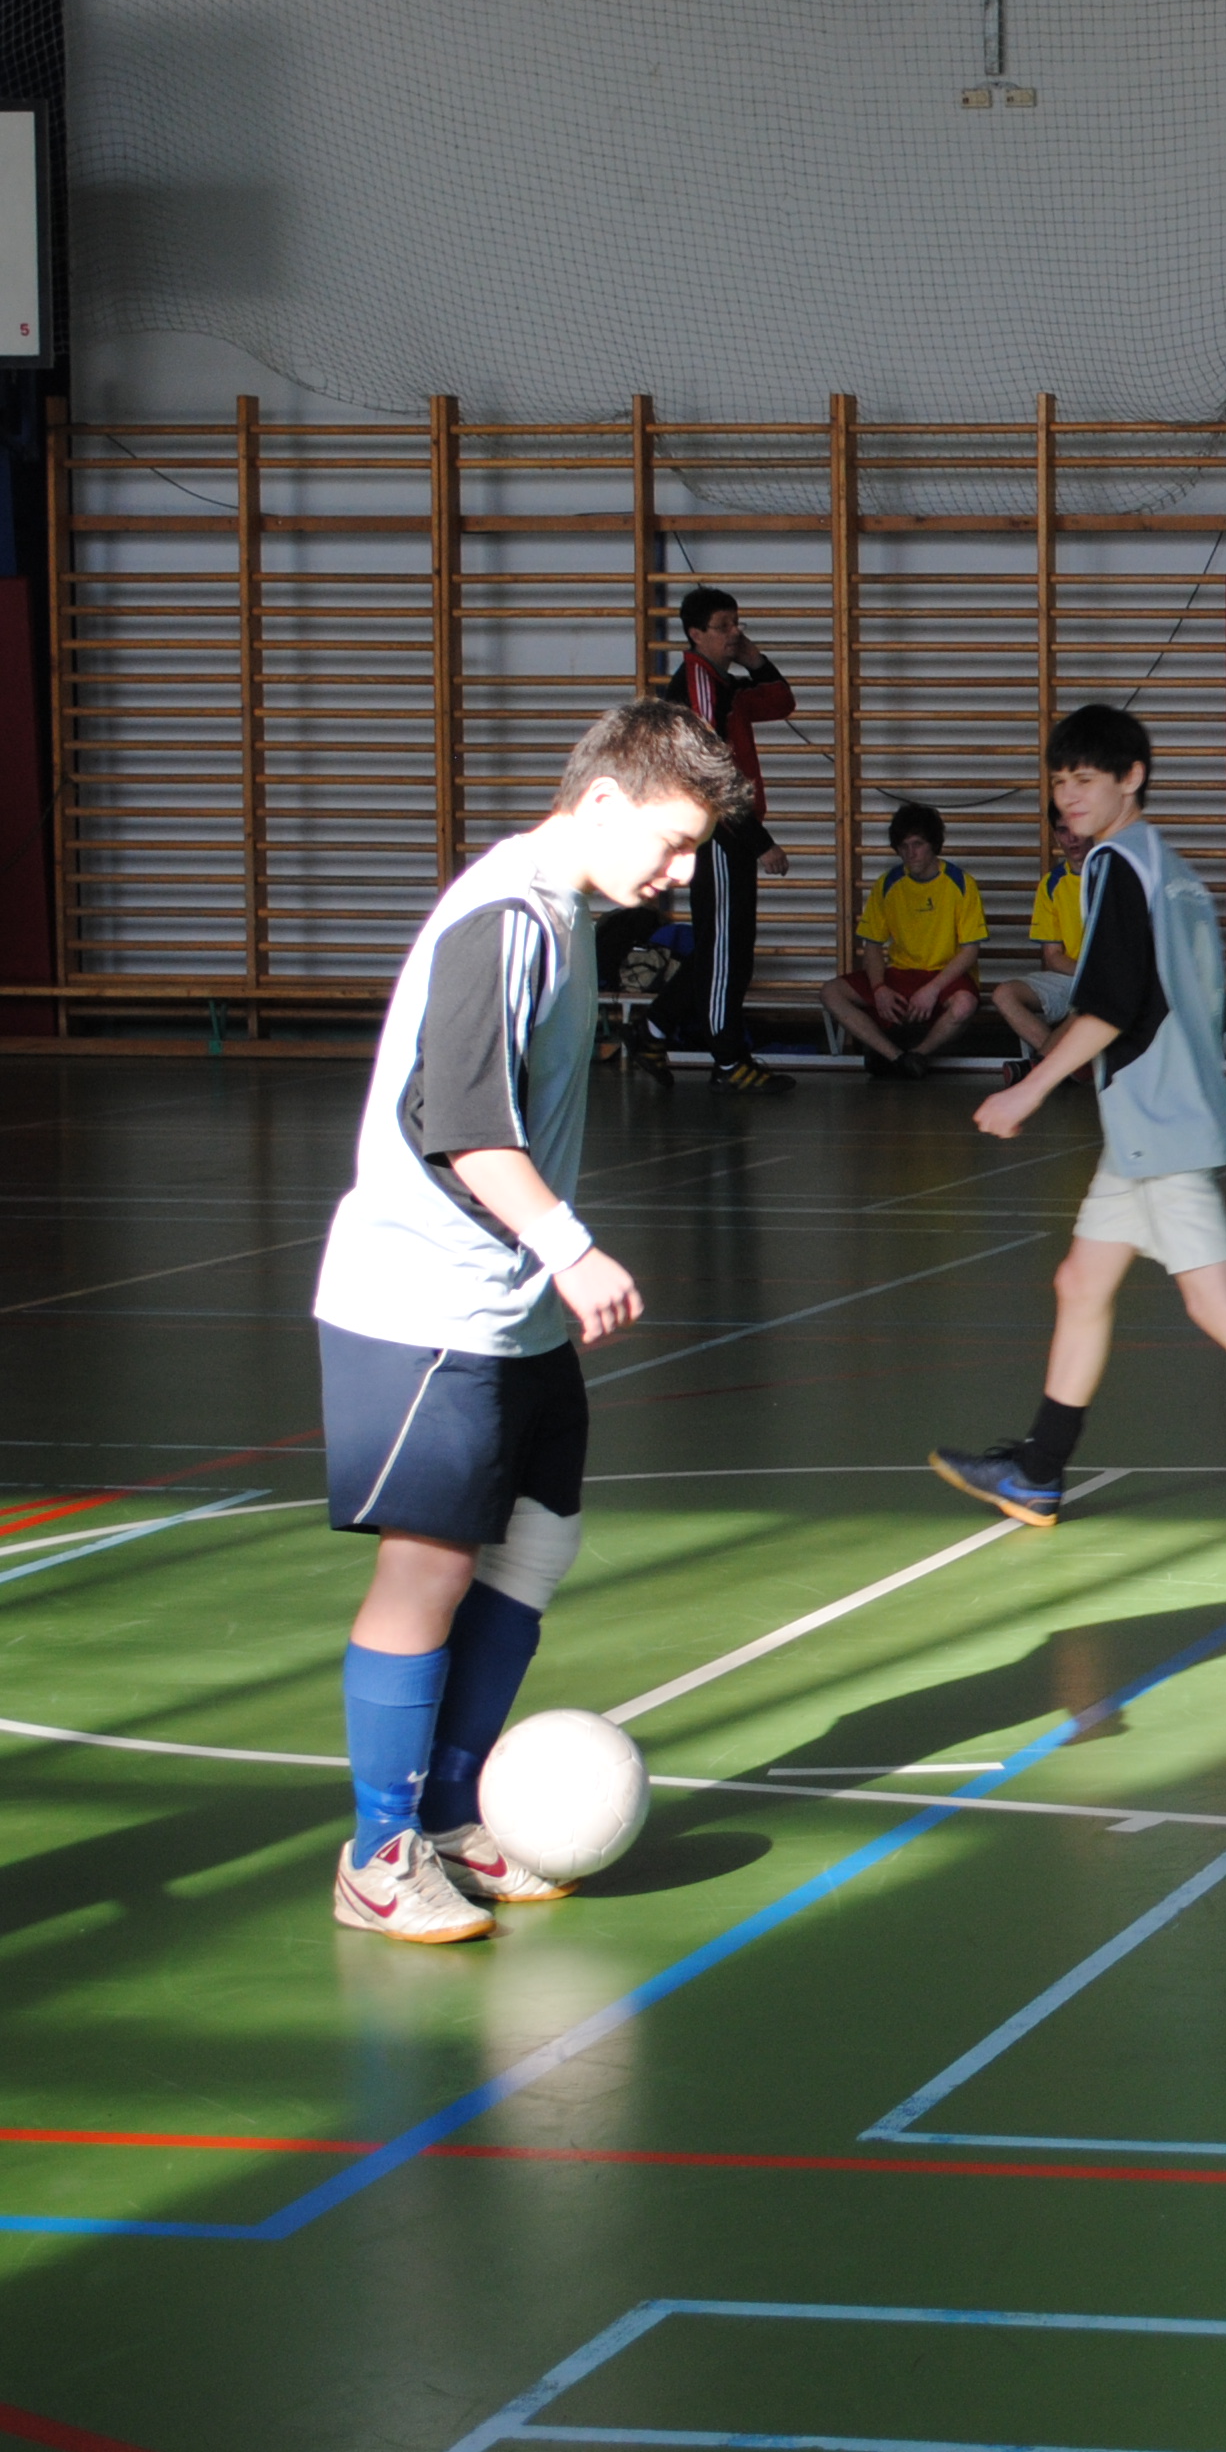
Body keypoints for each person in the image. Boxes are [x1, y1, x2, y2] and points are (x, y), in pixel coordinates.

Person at [316, 698, 744, 1942]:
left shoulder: (566, 915)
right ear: (601, 801)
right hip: (424, 1302)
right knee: (429, 1567)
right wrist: (570, 1247)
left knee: (538, 1540)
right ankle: (379, 1852)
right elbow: (458, 1124)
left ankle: (455, 1812)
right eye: (671, 845)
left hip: (509, 1310)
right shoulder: (504, 917)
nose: (678, 876)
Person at [928, 704, 1226, 1566]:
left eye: (1085, 779)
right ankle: (1038, 1470)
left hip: (1158, 1120)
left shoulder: (1115, 865)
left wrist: (1030, 1087)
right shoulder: (1171, 868)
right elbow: (1200, 998)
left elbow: (1112, 1004)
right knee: (1081, 1281)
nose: (1068, 796)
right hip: (1154, 1117)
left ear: (1132, 779)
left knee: (1218, 1301)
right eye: (1060, 781)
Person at [656, 585, 799, 1095]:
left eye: (736, 622)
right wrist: (761, 842)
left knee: (729, 946)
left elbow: (781, 701)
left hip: (734, 828)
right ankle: (726, 1059)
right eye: (722, 626)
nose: (733, 632)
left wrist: (753, 657)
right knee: (724, 951)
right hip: (718, 830)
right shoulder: (698, 683)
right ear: (695, 634)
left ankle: (652, 1029)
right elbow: (711, 776)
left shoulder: (725, 682)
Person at [821, 800, 988, 1077]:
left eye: (918, 844)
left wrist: (932, 989)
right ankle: (897, 1057)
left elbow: (970, 950)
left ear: (934, 844)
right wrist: (879, 989)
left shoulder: (961, 883)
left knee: (965, 1004)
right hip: (900, 973)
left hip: (944, 975)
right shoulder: (887, 883)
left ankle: (918, 1054)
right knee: (830, 992)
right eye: (903, 846)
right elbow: (873, 945)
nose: (911, 853)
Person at [993, 817, 1085, 1082]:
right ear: (1055, 836)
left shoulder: (1115, 876)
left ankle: (1042, 1066)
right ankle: (1071, 1066)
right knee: (1003, 994)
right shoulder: (1052, 883)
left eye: (1077, 829)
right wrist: (1086, 973)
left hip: (1111, 980)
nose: (1072, 838)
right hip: (1072, 975)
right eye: (1063, 831)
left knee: (1094, 998)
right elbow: (1053, 957)